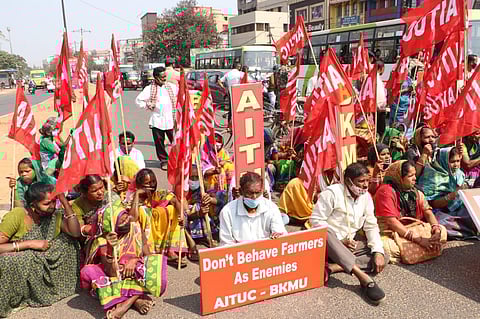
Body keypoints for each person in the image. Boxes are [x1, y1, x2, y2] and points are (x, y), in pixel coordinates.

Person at [310, 162, 387, 305]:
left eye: (367, 181)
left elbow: (371, 225)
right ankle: (362, 277)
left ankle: (333, 267)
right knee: (324, 233)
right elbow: (315, 220)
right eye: (361, 181)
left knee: (383, 255)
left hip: (348, 247)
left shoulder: (366, 197)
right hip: (330, 244)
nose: (365, 185)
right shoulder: (332, 193)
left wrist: (377, 251)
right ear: (348, 181)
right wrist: (340, 241)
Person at [0, 183, 81, 317]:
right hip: (16, 258)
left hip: (43, 264)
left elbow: (75, 232)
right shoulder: (18, 215)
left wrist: (65, 204)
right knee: (10, 259)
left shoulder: (55, 215)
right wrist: (29, 244)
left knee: (68, 242)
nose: (52, 206)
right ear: (33, 204)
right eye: (47, 203)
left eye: (54, 201)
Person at [80, 198, 161, 318]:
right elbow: (112, 273)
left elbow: (148, 256)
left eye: (126, 217)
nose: (127, 221)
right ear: (112, 226)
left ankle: (123, 305)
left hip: (134, 271)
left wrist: (135, 261)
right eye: (122, 221)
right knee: (87, 271)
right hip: (115, 276)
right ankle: (135, 299)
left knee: (154, 267)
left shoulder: (136, 228)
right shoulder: (102, 241)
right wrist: (110, 248)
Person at [375, 160, 447, 263]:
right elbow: (391, 222)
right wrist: (419, 240)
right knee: (388, 247)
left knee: (443, 230)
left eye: (414, 175)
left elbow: (427, 211)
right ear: (399, 177)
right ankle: (422, 248)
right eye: (410, 176)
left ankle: (417, 249)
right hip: (391, 232)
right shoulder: (385, 192)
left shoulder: (414, 191)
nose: (415, 178)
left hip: (413, 228)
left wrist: (436, 230)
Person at [129, 168, 188, 268]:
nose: (152, 185)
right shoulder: (132, 198)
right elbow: (133, 219)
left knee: (172, 209)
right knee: (144, 211)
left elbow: (175, 201)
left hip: (163, 232)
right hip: (143, 235)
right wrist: (138, 194)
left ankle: (170, 250)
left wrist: (181, 216)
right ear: (139, 185)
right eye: (147, 183)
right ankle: (149, 252)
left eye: (153, 181)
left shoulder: (160, 194)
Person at [418, 147, 479, 239]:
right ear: (443, 160)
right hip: (441, 213)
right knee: (444, 224)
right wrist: (452, 195)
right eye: (452, 161)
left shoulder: (459, 173)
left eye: (458, 161)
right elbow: (432, 204)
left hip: (459, 209)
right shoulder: (432, 175)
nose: (456, 165)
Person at [219, 172, 287, 246]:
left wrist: (278, 235)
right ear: (241, 191)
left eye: (257, 193)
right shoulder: (227, 212)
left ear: (262, 190)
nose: (254, 197)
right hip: (240, 254)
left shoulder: (271, 208)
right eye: (250, 193)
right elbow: (226, 244)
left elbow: (280, 235)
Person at [135, 67, 178, 166]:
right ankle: (164, 161)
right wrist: (148, 105)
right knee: (159, 142)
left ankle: (177, 160)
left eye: (165, 76)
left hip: (171, 119)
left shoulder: (171, 86)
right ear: (155, 77)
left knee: (176, 141)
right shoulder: (149, 89)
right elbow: (138, 101)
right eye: (161, 77)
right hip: (157, 120)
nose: (164, 79)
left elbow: (180, 96)